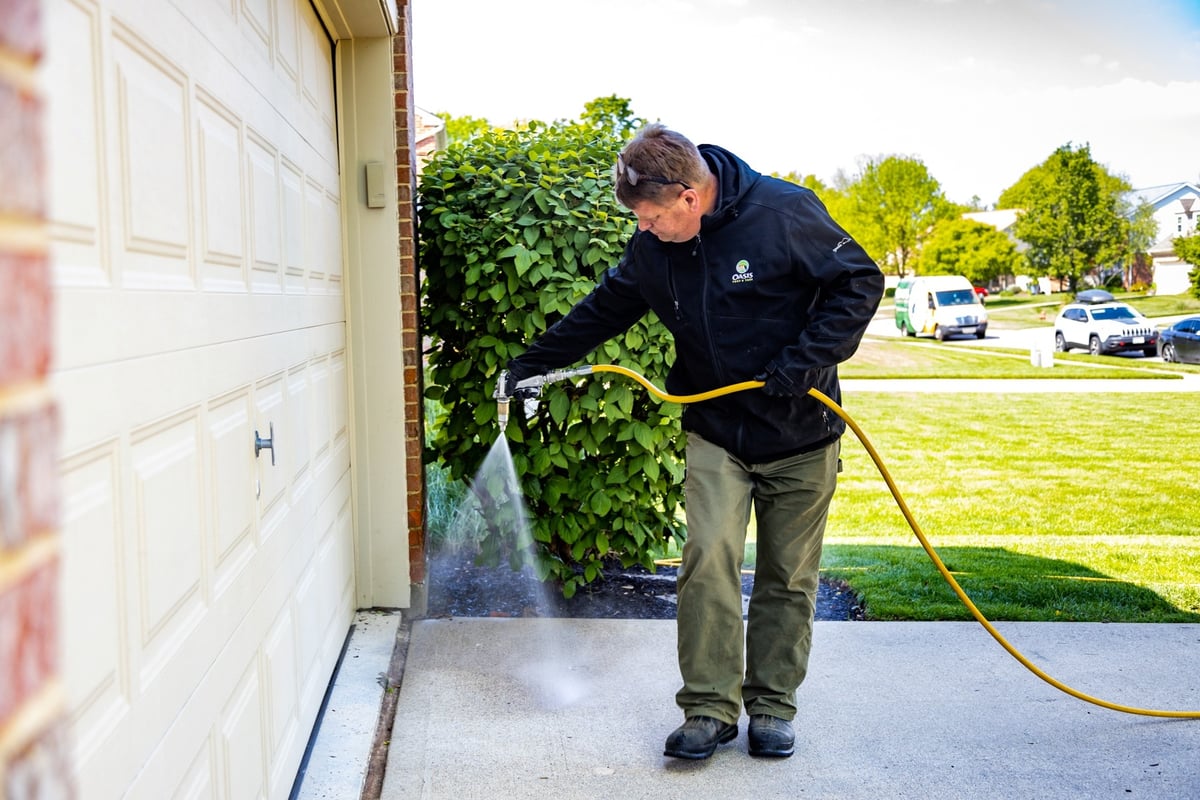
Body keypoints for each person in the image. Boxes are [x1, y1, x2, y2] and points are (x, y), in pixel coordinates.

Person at [501, 123, 883, 760]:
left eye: (652, 217)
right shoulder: (655, 248)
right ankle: (708, 708)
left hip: (800, 432)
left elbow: (858, 282)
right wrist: (531, 364)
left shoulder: (782, 212)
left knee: (788, 577)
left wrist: (806, 360)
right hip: (717, 432)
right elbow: (604, 308)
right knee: (706, 559)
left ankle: (771, 708)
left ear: (687, 196)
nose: (644, 229)